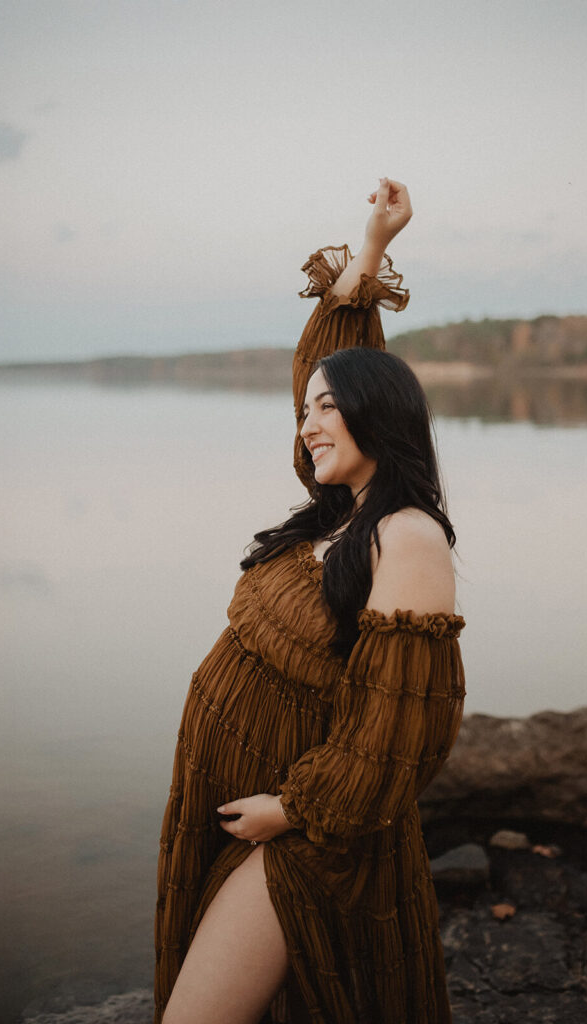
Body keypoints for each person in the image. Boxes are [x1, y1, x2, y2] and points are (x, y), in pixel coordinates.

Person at [155, 178, 466, 1024]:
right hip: (248, 804)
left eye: (328, 409)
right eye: (303, 413)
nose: (308, 423)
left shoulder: (405, 537)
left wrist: (290, 812)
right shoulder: (338, 514)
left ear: (379, 410)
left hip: (308, 841)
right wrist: (370, 249)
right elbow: (323, 364)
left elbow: (406, 726)